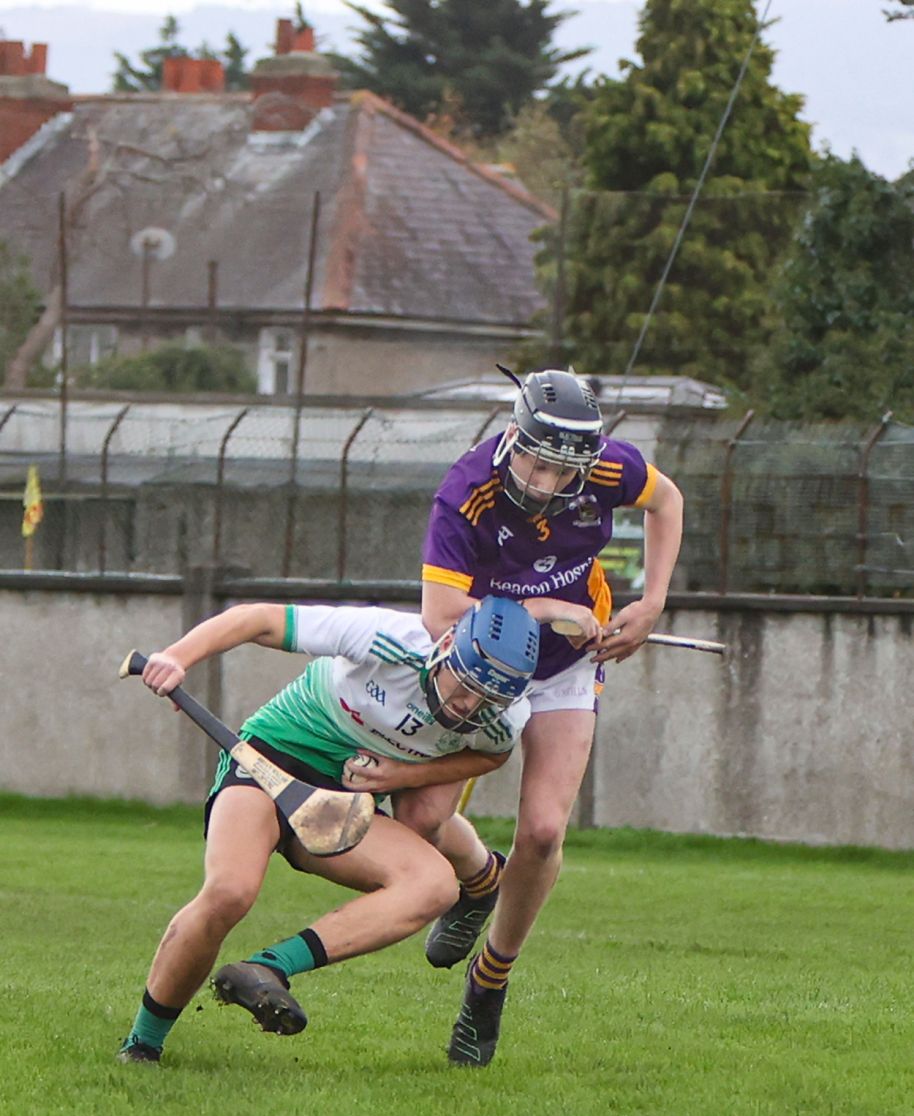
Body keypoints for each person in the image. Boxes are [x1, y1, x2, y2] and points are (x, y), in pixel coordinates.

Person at [397, 365, 684, 1066]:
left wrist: (651, 604)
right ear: (513, 438)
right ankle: (478, 878)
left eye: (565, 470)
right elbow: (440, 615)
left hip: (565, 669)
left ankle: (489, 982)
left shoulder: (608, 469)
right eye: (535, 461)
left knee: (547, 830)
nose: (547, 483)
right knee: (421, 821)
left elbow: (667, 500)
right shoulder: (466, 493)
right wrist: (544, 610)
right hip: (479, 669)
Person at [117, 594, 539, 1065]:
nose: (465, 708)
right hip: (267, 764)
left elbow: (491, 755)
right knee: (230, 891)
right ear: (445, 648)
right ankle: (142, 1046)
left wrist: (399, 778)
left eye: (486, 701)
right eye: (463, 687)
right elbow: (257, 619)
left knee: (434, 885)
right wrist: (178, 656)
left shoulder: (501, 720)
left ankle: (268, 968)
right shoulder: (388, 639)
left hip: (340, 805)